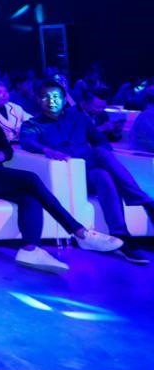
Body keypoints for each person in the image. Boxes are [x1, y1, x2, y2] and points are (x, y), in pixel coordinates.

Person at [0, 83, 122, 272]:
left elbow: (7, 151)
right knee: (30, 179)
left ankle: (30, 249)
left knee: (30, 197)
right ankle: (79, 231)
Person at [20, 81, 154, 264]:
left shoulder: (79, 119)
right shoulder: (32, 124)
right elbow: (28, 142)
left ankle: (122, 237)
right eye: (46, 97)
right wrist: (46, 150)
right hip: (67, 173)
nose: (52, 101)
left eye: (56, 97)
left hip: (89, 172)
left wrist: (105, 152)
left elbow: (100, 141)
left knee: (103, 175)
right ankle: (145, 202)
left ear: (64, 99)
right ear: (38, 99)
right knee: (99, 154)